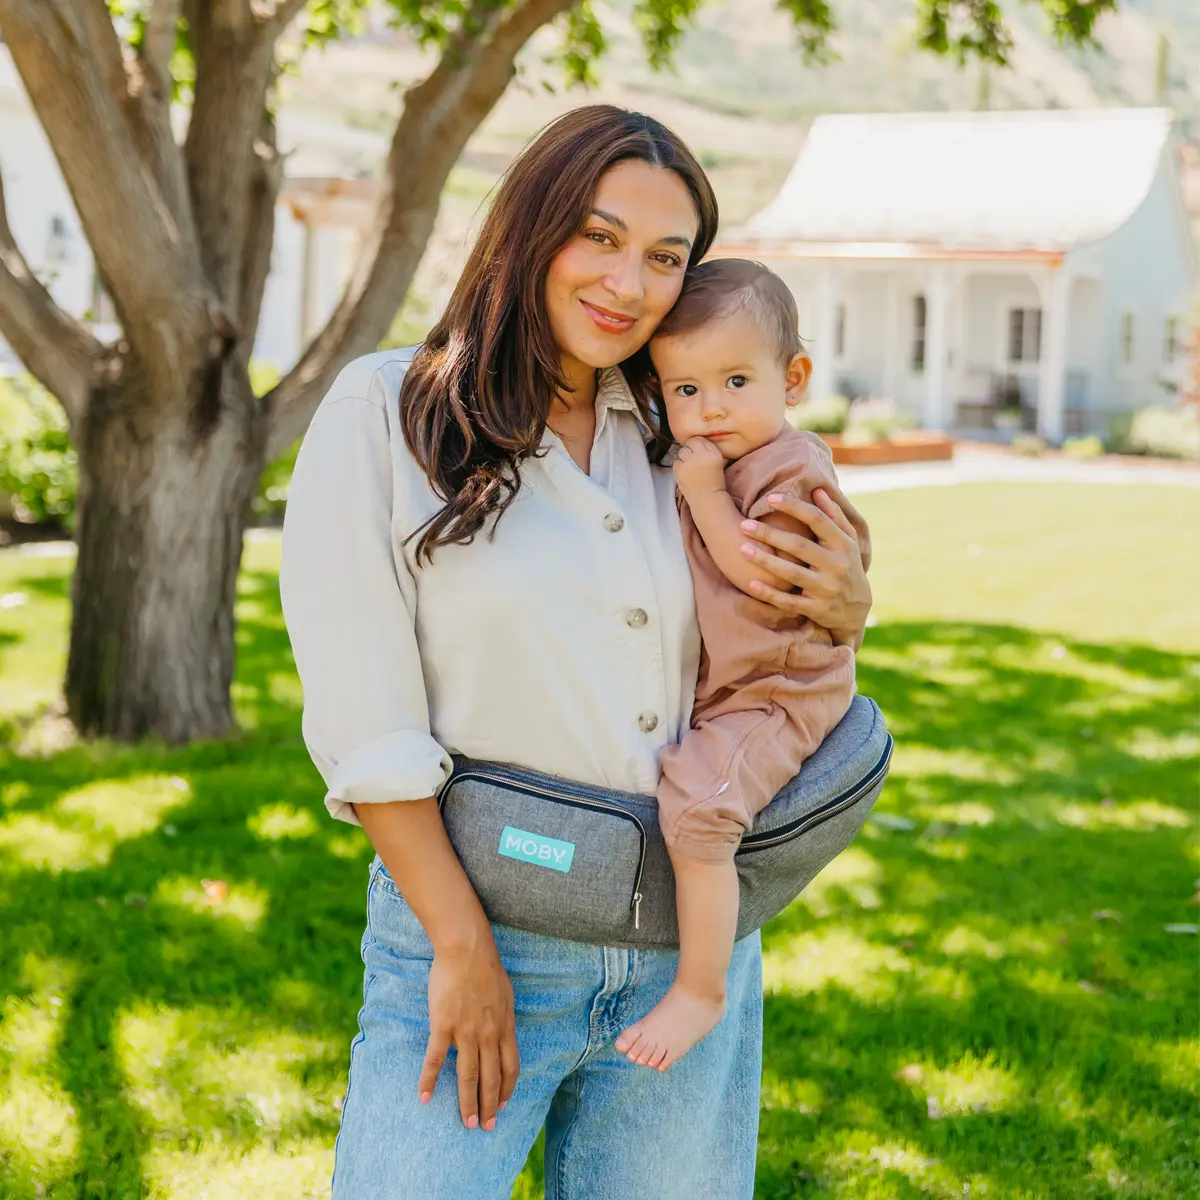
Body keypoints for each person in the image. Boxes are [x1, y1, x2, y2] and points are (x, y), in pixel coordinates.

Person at [280, 105, 873, 1200]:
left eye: (664, 257)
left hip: (683, 954)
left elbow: (776, 637)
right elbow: (366, 723)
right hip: (473, 942)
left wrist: (848, 596)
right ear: (530, 229)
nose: (629, 283)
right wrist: (459, 950)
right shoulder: (388, 412)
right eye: (596, 237)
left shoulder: (689, 430)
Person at [614, 259, 857, 1072]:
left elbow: (761, 572)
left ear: (792, 379)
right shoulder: (722, 457)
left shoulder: (789, 469)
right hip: (741, 685)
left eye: (735, 381)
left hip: (781, 690)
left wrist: (708, 494)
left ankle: (701, 988)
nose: (709, 408)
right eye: (685, 392)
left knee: (700, 815)